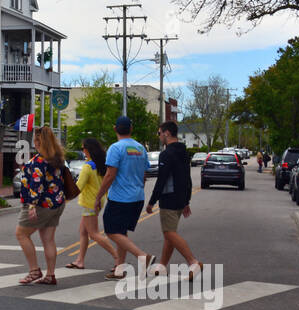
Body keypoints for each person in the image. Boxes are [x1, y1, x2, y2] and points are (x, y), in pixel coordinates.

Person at [94, 115, 155, 279]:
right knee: (121, 232)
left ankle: (143, 257)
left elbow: (109, 175)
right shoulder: (141, 148)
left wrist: (98, 196)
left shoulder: (116, 148)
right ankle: (119, 269)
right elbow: (143, 174)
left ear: (115, 129)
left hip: (120, 198)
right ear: (131, 129)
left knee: (111, 231)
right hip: (137, 197)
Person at [146, 120, 202, 281]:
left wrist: (152, 201)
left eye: (159, 133)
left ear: (167, 133)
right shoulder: (184, 151)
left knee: (169, 233)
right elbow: (186, 177)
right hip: (180, 198)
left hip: (169, 198)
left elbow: (162, 179)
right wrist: (186, 200)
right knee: (170, 233)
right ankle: (162, 266)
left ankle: (193, 262)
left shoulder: (167, 154)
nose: (159, 137)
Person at [14, 125, 68, 286]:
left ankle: (34, 270)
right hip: (57, 203)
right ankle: (50, 275)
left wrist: (31, 206)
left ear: (38, 142)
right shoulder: (57, 159)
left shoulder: (38, 161)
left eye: (35, 140)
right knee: (48, 239)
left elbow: (36, 185)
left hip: (40, 205)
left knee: (21, 234)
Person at [65, 137, 117, 271]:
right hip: (99, 200)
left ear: (88, 150)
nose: (82, 151)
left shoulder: (87, 167)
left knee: (93, 234)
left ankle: (118, 259)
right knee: (83, 231)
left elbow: (78, 187)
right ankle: (80, 261)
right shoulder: (101, 164)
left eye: (83, 148)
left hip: (90, 203)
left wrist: (64, 196)